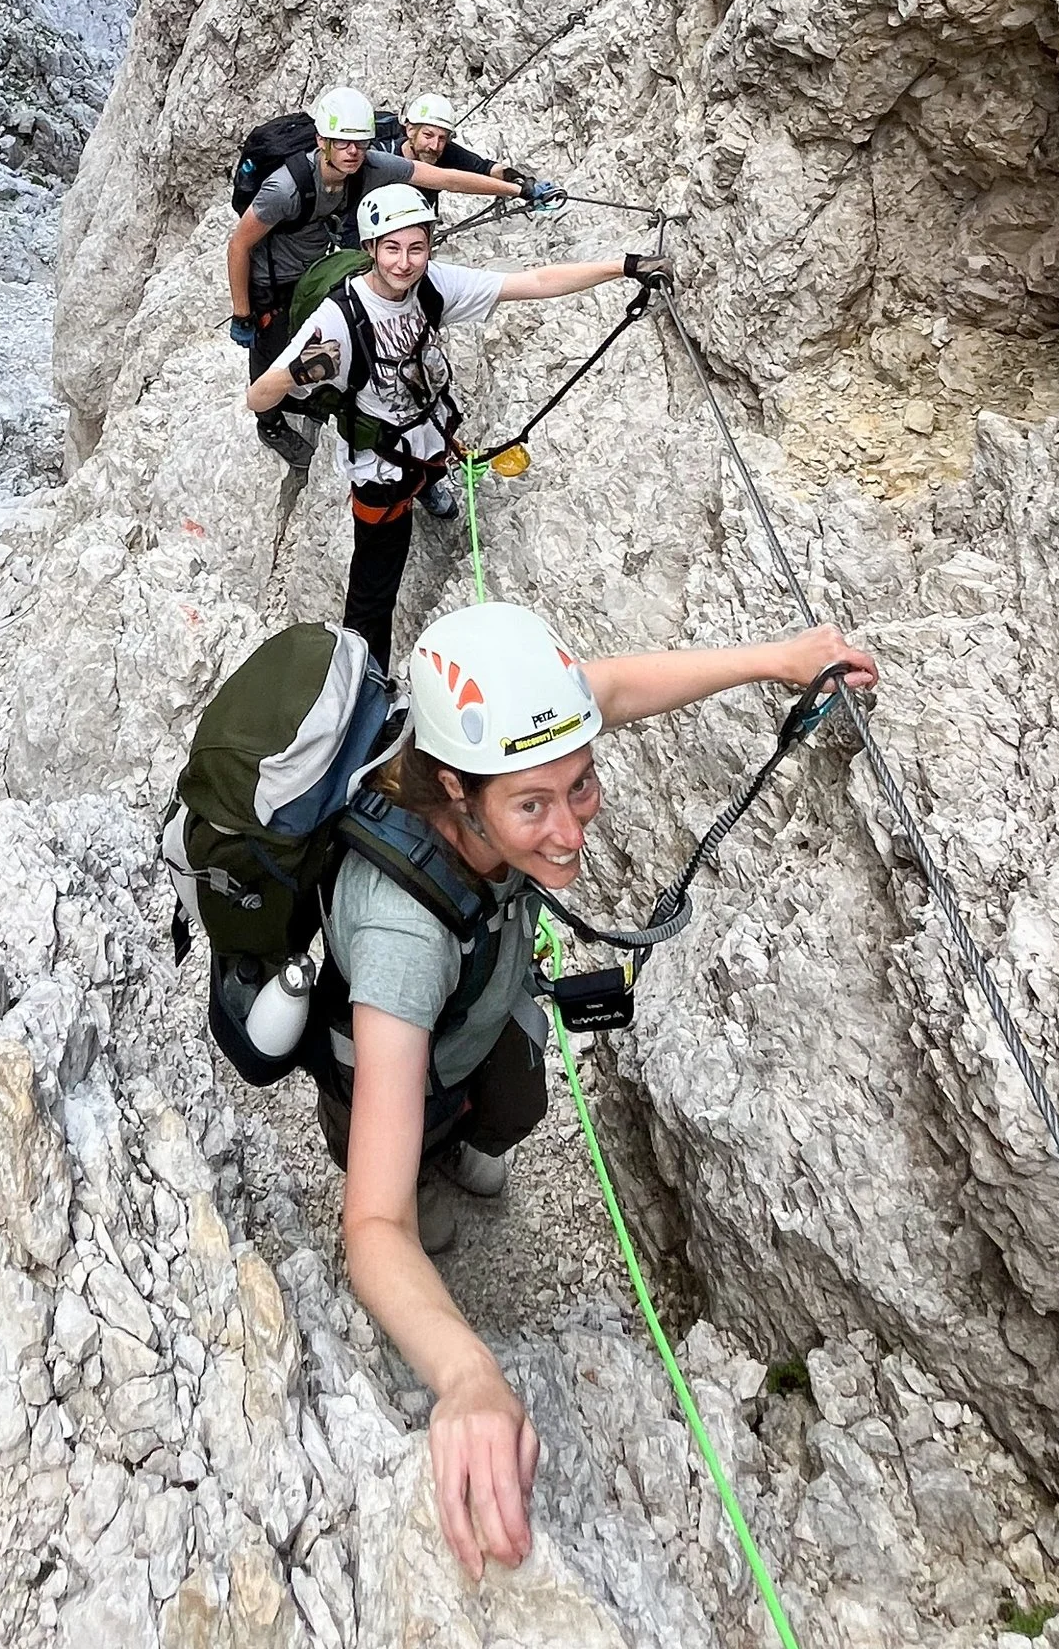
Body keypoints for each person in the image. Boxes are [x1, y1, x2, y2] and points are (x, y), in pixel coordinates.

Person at [325, 597, 879, 1582]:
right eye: (532, 807)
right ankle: (434, 1178)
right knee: (412, 1195)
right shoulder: (401, 936)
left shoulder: (488, 748)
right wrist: (469, 1378)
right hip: (394, 1052)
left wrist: (780, 657)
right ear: (457, 791)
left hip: (474, 1008)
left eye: (579, 786)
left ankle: (456, 1153)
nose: (569, 829)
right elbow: (369, 1224)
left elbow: (612, 689)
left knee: (516, 1106)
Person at [246, 181, 670, 661]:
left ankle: (429, 487)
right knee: (374, 593)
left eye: (416, 248)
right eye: (391, 249)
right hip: (381, 466)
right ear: (369, 248)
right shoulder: (338, 320)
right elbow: (257, 397)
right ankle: (366, 681)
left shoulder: (431, 285)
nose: (404, 263)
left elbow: (531, 283)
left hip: (429, 434)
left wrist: (623, 267)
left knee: (430, 464)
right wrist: (299, 372)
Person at [227, 88, 516, 467]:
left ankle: (303, 398)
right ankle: (269, 423)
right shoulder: (285, 188)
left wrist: (516, 189)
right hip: (270, 280)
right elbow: (239, 246)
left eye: (360, 143)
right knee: (272, 350)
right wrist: (242, 313)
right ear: (322, 141)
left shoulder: (368, 166)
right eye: (343, 143)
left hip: (313, 270)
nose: (353, 152)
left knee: (313, 337)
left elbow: (443, 178)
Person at [383, 92, 559, 208]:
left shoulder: (445, 154)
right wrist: (516, 190)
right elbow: (452, 182)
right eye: (428, 135)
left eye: (442, 138)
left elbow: (487, 168)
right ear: (410, 131)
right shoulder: (384, 156)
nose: (434, 146)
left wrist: (520, 180)